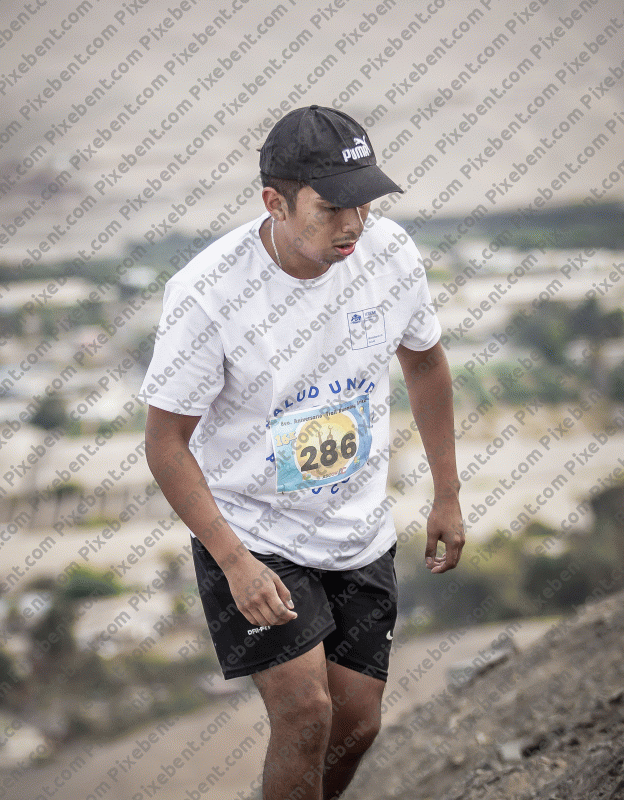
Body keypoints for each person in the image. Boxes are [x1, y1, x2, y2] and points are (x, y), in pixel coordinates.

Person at [141, 105, 464, 800]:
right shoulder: (207, 293)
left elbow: (426, 365)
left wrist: (448, 493)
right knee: (305, 712)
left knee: (357, 724)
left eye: (364, 202)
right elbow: (165, 444)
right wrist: (235, 563)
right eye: (331, 207)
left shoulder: (390, 254)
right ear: (275, 203)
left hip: (358, 527)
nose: (353, 223)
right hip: (253, 533)